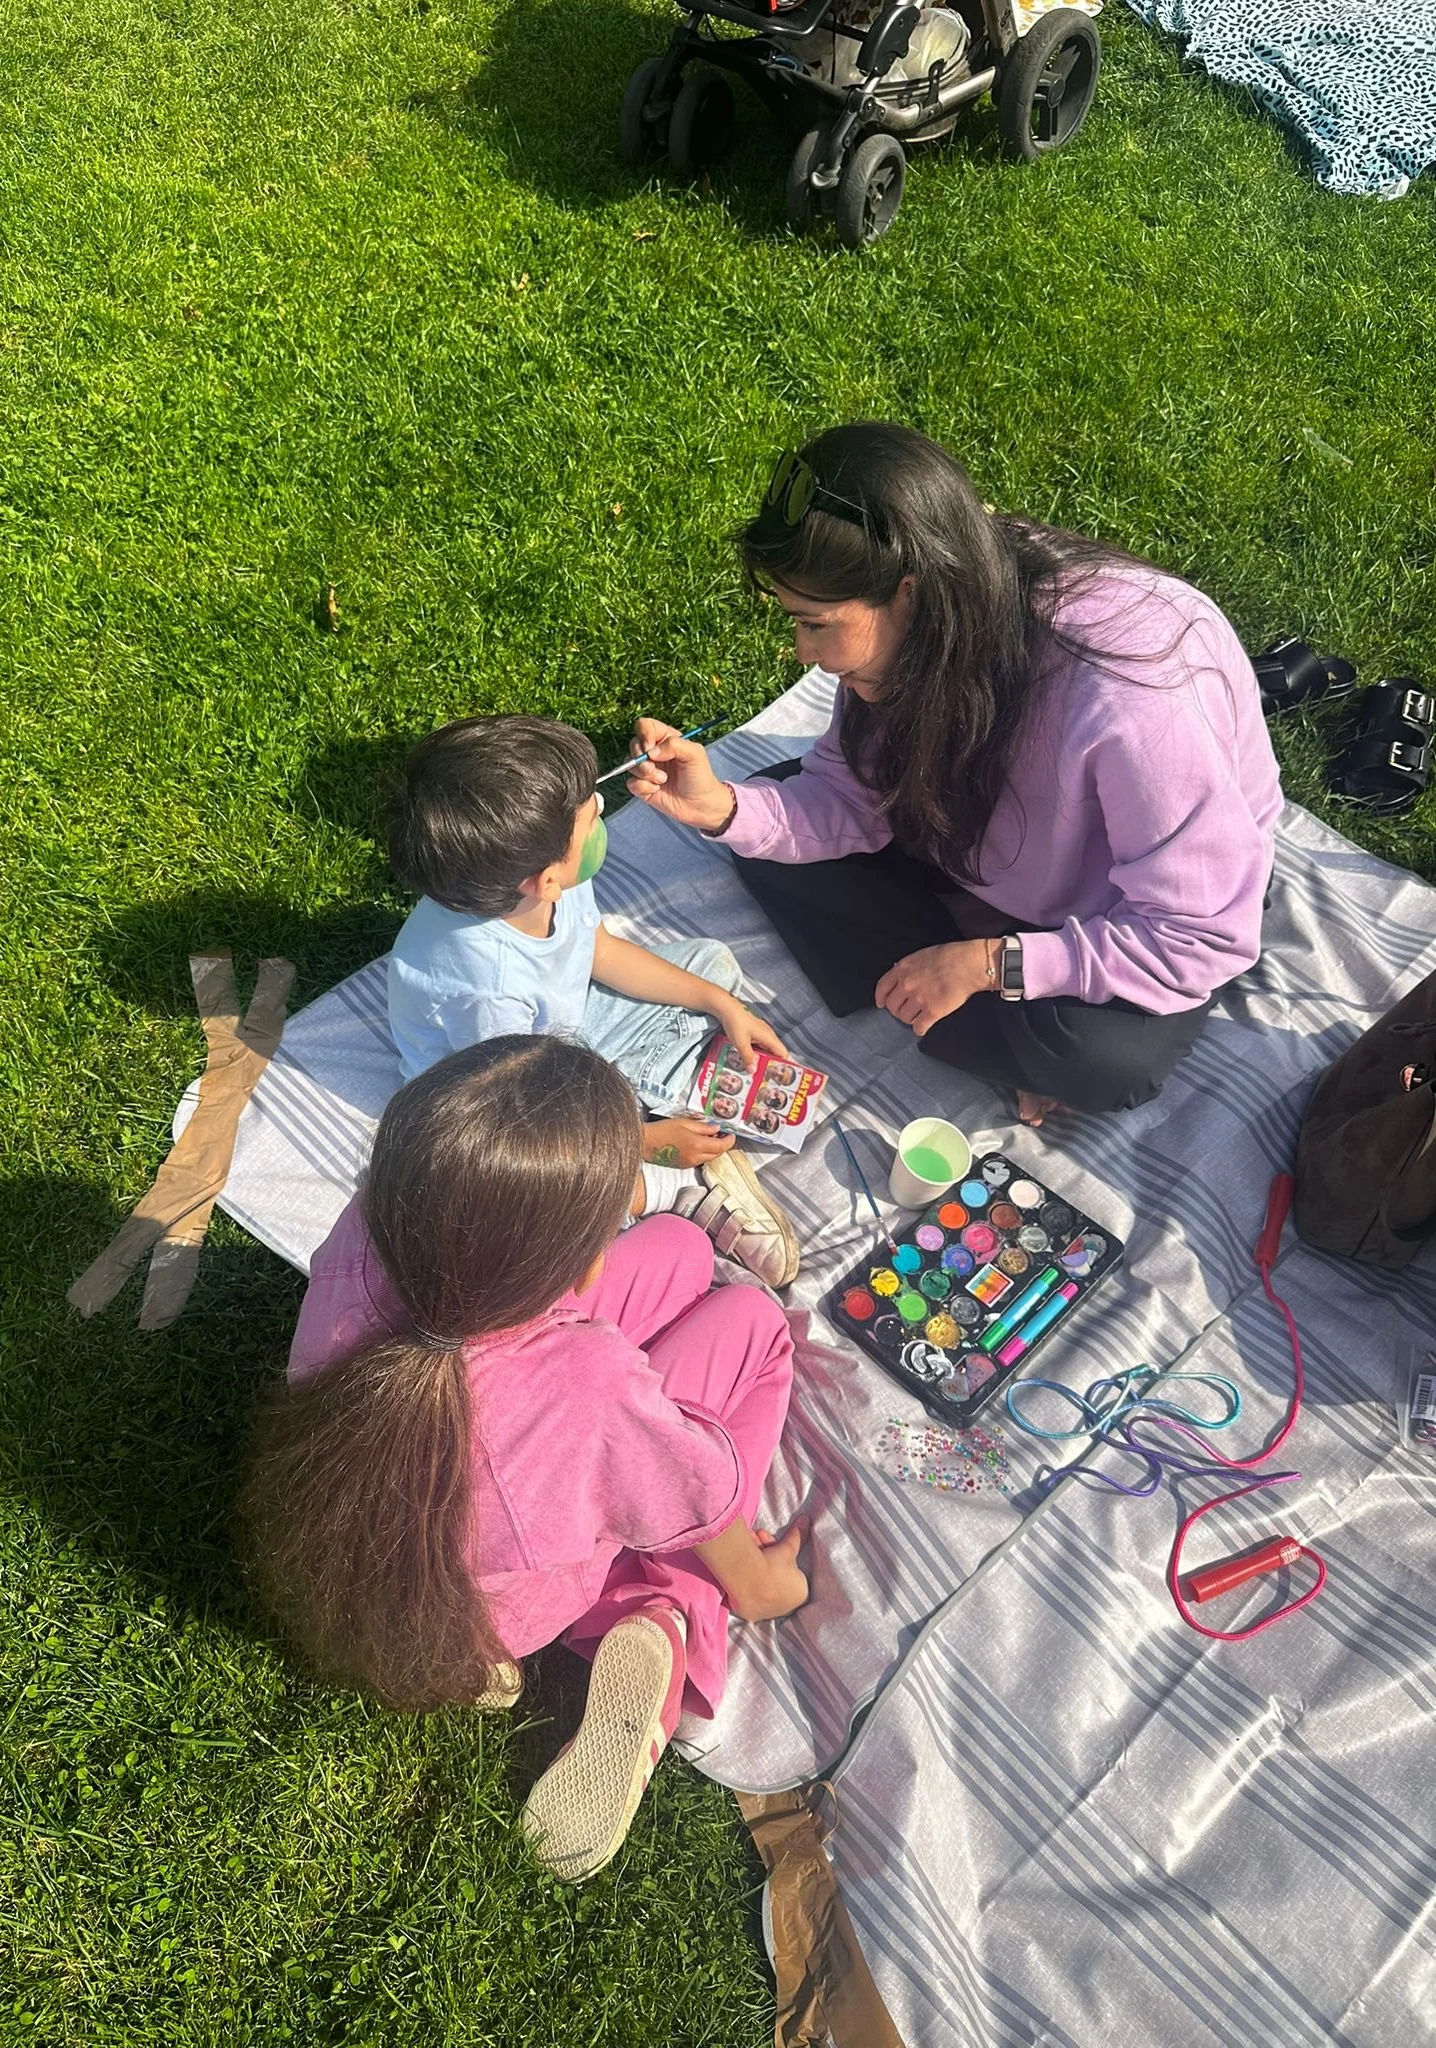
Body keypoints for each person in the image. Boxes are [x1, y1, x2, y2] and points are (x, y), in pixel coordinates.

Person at [240, 1037, 809, 1883]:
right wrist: (764, 1586)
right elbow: (694, 1495)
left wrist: (630, 1146)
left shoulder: (370, 1228)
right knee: (755, 1327)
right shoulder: (587, 1383)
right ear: (580, 1268)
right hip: (496, 1611)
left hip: (417, 1570)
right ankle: (662, 1614)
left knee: (687, 1254)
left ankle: (639, 1622)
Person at [627, 423, 1283, 1124]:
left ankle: (967, 992)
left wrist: (984, 966)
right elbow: (849, 793)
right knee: (767, 838)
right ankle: (976, 1008)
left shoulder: (1135, 695)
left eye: (816, 624)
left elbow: (1198, 935)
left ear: (906, 594)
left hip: (1142, 907)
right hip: (991, 851)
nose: (804, 653)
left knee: (1105, 1061)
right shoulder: (922, 632)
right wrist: (720, 807)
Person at [385, 714, 798, 1284]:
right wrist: (644, 1142)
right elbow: (520, 1111)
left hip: (554, 1036)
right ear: (545, 879)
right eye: (590, 815)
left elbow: (595, 949)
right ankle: (658, 1189)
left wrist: (718, 1002)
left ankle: (655, 1101)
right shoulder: (485, 988)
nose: (602, 812)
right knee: (551, 1192)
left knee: (710, 965)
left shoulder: (542, 884)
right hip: (499, 1097)